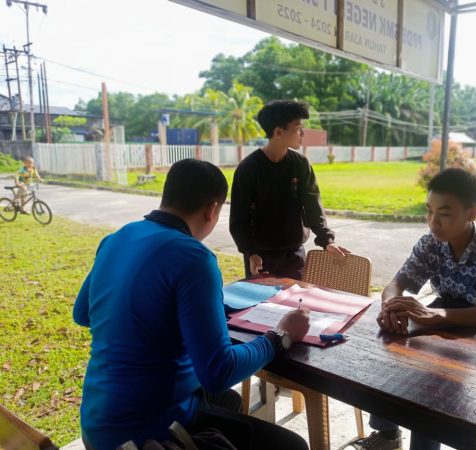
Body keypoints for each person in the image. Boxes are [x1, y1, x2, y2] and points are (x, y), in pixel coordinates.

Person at [73, 159, 311, 450]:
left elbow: (82, 313)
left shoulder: (117, 238)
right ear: (212, 210)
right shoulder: (194, 257)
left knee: (228, 401)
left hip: (97, 422)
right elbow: (219, 373)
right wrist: (280, 336)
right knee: (293, 445)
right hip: (145, 436)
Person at [349, 168, 476, 450]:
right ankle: (387, 435)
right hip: (444, 324)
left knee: (430, 386)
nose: (433, 222)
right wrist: (391, 307)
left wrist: (434, 315)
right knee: (388, 350)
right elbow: (396, 284)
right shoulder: (431, 244)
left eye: (444, 214)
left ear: (472, 213)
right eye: (429, 211)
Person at [229, 99, 350, 280]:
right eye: (298, 127)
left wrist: (327, 241)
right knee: (265, 298)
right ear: (278, 132)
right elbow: (239, 219)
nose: (303, 132)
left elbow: (313, 206)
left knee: (296, 296)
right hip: (260, 257)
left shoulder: (300, 165)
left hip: (295, 255)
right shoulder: (249, 169)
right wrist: (250, 252)